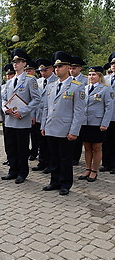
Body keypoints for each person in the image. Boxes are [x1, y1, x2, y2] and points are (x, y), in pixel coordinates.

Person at [41, 51, 85, 195]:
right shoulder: (51, 86)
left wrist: (74, 131)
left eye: (60, 66)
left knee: (65, 158)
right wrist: (43, 125)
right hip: (51, 127)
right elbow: (46, 108)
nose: (57, 69)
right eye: (56, 66)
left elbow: (79, 111)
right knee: (53, 157)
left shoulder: (76, 86)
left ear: (68, 67)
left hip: (66, 129)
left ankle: (65, 183)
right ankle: (54, 181)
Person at [1, 48, 40, 184]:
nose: (15, 64)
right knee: (11, 147)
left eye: (18, 62)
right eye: (14, 62)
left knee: (22, 148)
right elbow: (3, 98)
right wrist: (5, 109)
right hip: (10, 119)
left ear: (24, 64)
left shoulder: (30, 80)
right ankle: (13, 170)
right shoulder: (10, 81)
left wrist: (23, 111)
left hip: (22, 120)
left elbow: (36, 99)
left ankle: (22, 172)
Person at [78, 66, 114, 182]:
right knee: (87, 147)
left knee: (97, 148)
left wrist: (105, 123)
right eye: (89, 74)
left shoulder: (106, 89)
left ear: (100, 76)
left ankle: (94, 170)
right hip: (85, 122)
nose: (91, 77)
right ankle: (87, 169)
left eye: (94, 75)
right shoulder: (85, 88)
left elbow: (109, 108)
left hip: (98, 123)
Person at [31, 58, 57, 173]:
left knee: (49, 142)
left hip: (50, 116)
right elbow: (34, 99)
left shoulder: (56, 81)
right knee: (40, 140)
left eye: (45, 70)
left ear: (51, 69)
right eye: (41, 71)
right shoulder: (38, 81)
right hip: (38, 115)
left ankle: (50, 164)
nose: (42, 73)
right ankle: (42, 162)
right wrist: (32, 115)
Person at [101, 54, 115, 174]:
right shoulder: (106, 79)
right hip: (107, 115)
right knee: (106, 141)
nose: (113, 66)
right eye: (112, 63)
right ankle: (106, 163)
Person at [1, 64, 15, 166]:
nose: (8, 76)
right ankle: (9, 157)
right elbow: (2, 100)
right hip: (6, 116)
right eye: (7, 75)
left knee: (16, 141)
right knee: (8, 140)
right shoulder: (3, 87)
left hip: (16, 115)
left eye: (11, 74)